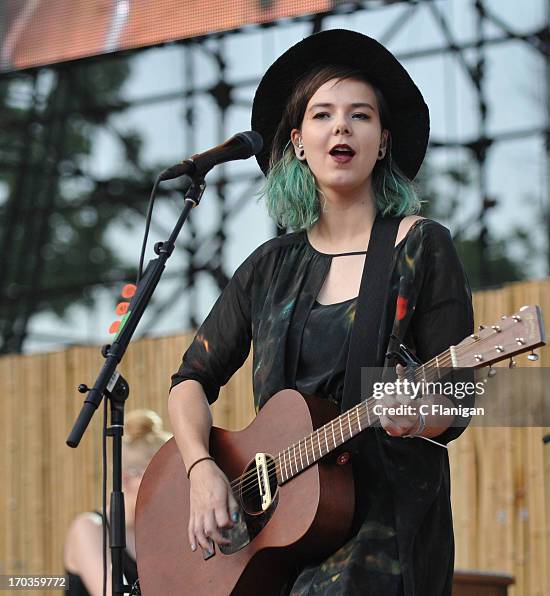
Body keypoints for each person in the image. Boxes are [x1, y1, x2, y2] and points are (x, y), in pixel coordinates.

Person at [168, 29, 474, 595]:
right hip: (273, 538)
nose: (341, 127)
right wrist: (200, 469)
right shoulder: (269, 267)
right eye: (323, 114)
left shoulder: (421, 247)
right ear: (299, 143)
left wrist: (418, 415)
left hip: (384, 535)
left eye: (360, 116)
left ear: (382, 142)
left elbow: (462, 399)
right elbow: (190, 381)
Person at [63, 409, 171, 596]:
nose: (167, 488)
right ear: (126, 479)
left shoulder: (162, 531)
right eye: (156, 478)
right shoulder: (89, 528)